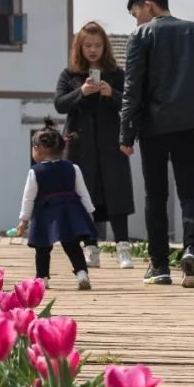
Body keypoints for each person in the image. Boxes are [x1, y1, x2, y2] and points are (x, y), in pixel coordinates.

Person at [119, 0, 194, 288]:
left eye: (136, 14)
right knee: (190, 193)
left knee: (155, 195)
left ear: (149, 6)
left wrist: (126, 133)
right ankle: (192, 251)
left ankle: (159, 266)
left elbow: (133, 89)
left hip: (153, 128)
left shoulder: (140, 37)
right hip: (192, 125)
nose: (136, 21)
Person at [55, 22, 136, 270]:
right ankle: (90, 247)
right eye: (88, 45)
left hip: (112, 144)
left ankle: (123, 247)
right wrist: (82, 91)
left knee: (116, 191)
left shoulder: (117, 74)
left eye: (97, 45)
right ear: (80, 47)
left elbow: (130, 105)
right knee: (84, 193)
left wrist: (111, 93)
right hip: (80, 145)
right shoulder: (69, 75)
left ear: (105, 47)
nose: (93, 50)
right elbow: (60, 104)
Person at [14, 119, 98, 291]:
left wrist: (24, 220)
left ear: (37, 149)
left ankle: (42, 279)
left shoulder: (35, 172)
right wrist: (89, 212)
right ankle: (82, 274)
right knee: (72, 245)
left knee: (42, 248)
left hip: (45, 213)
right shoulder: (72, 167)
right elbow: (83, 192)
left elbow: (28, 198)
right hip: (69, 211)